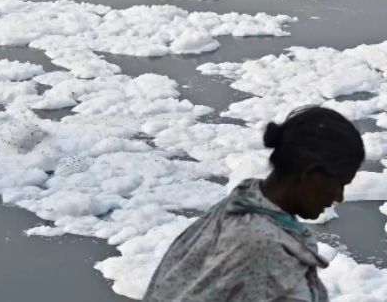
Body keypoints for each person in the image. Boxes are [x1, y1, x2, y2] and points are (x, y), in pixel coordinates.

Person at [143, 106, 365, 302]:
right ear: (311, 176)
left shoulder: (243, 204)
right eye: (339, 184)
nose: (339, 197)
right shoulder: (261, 245)